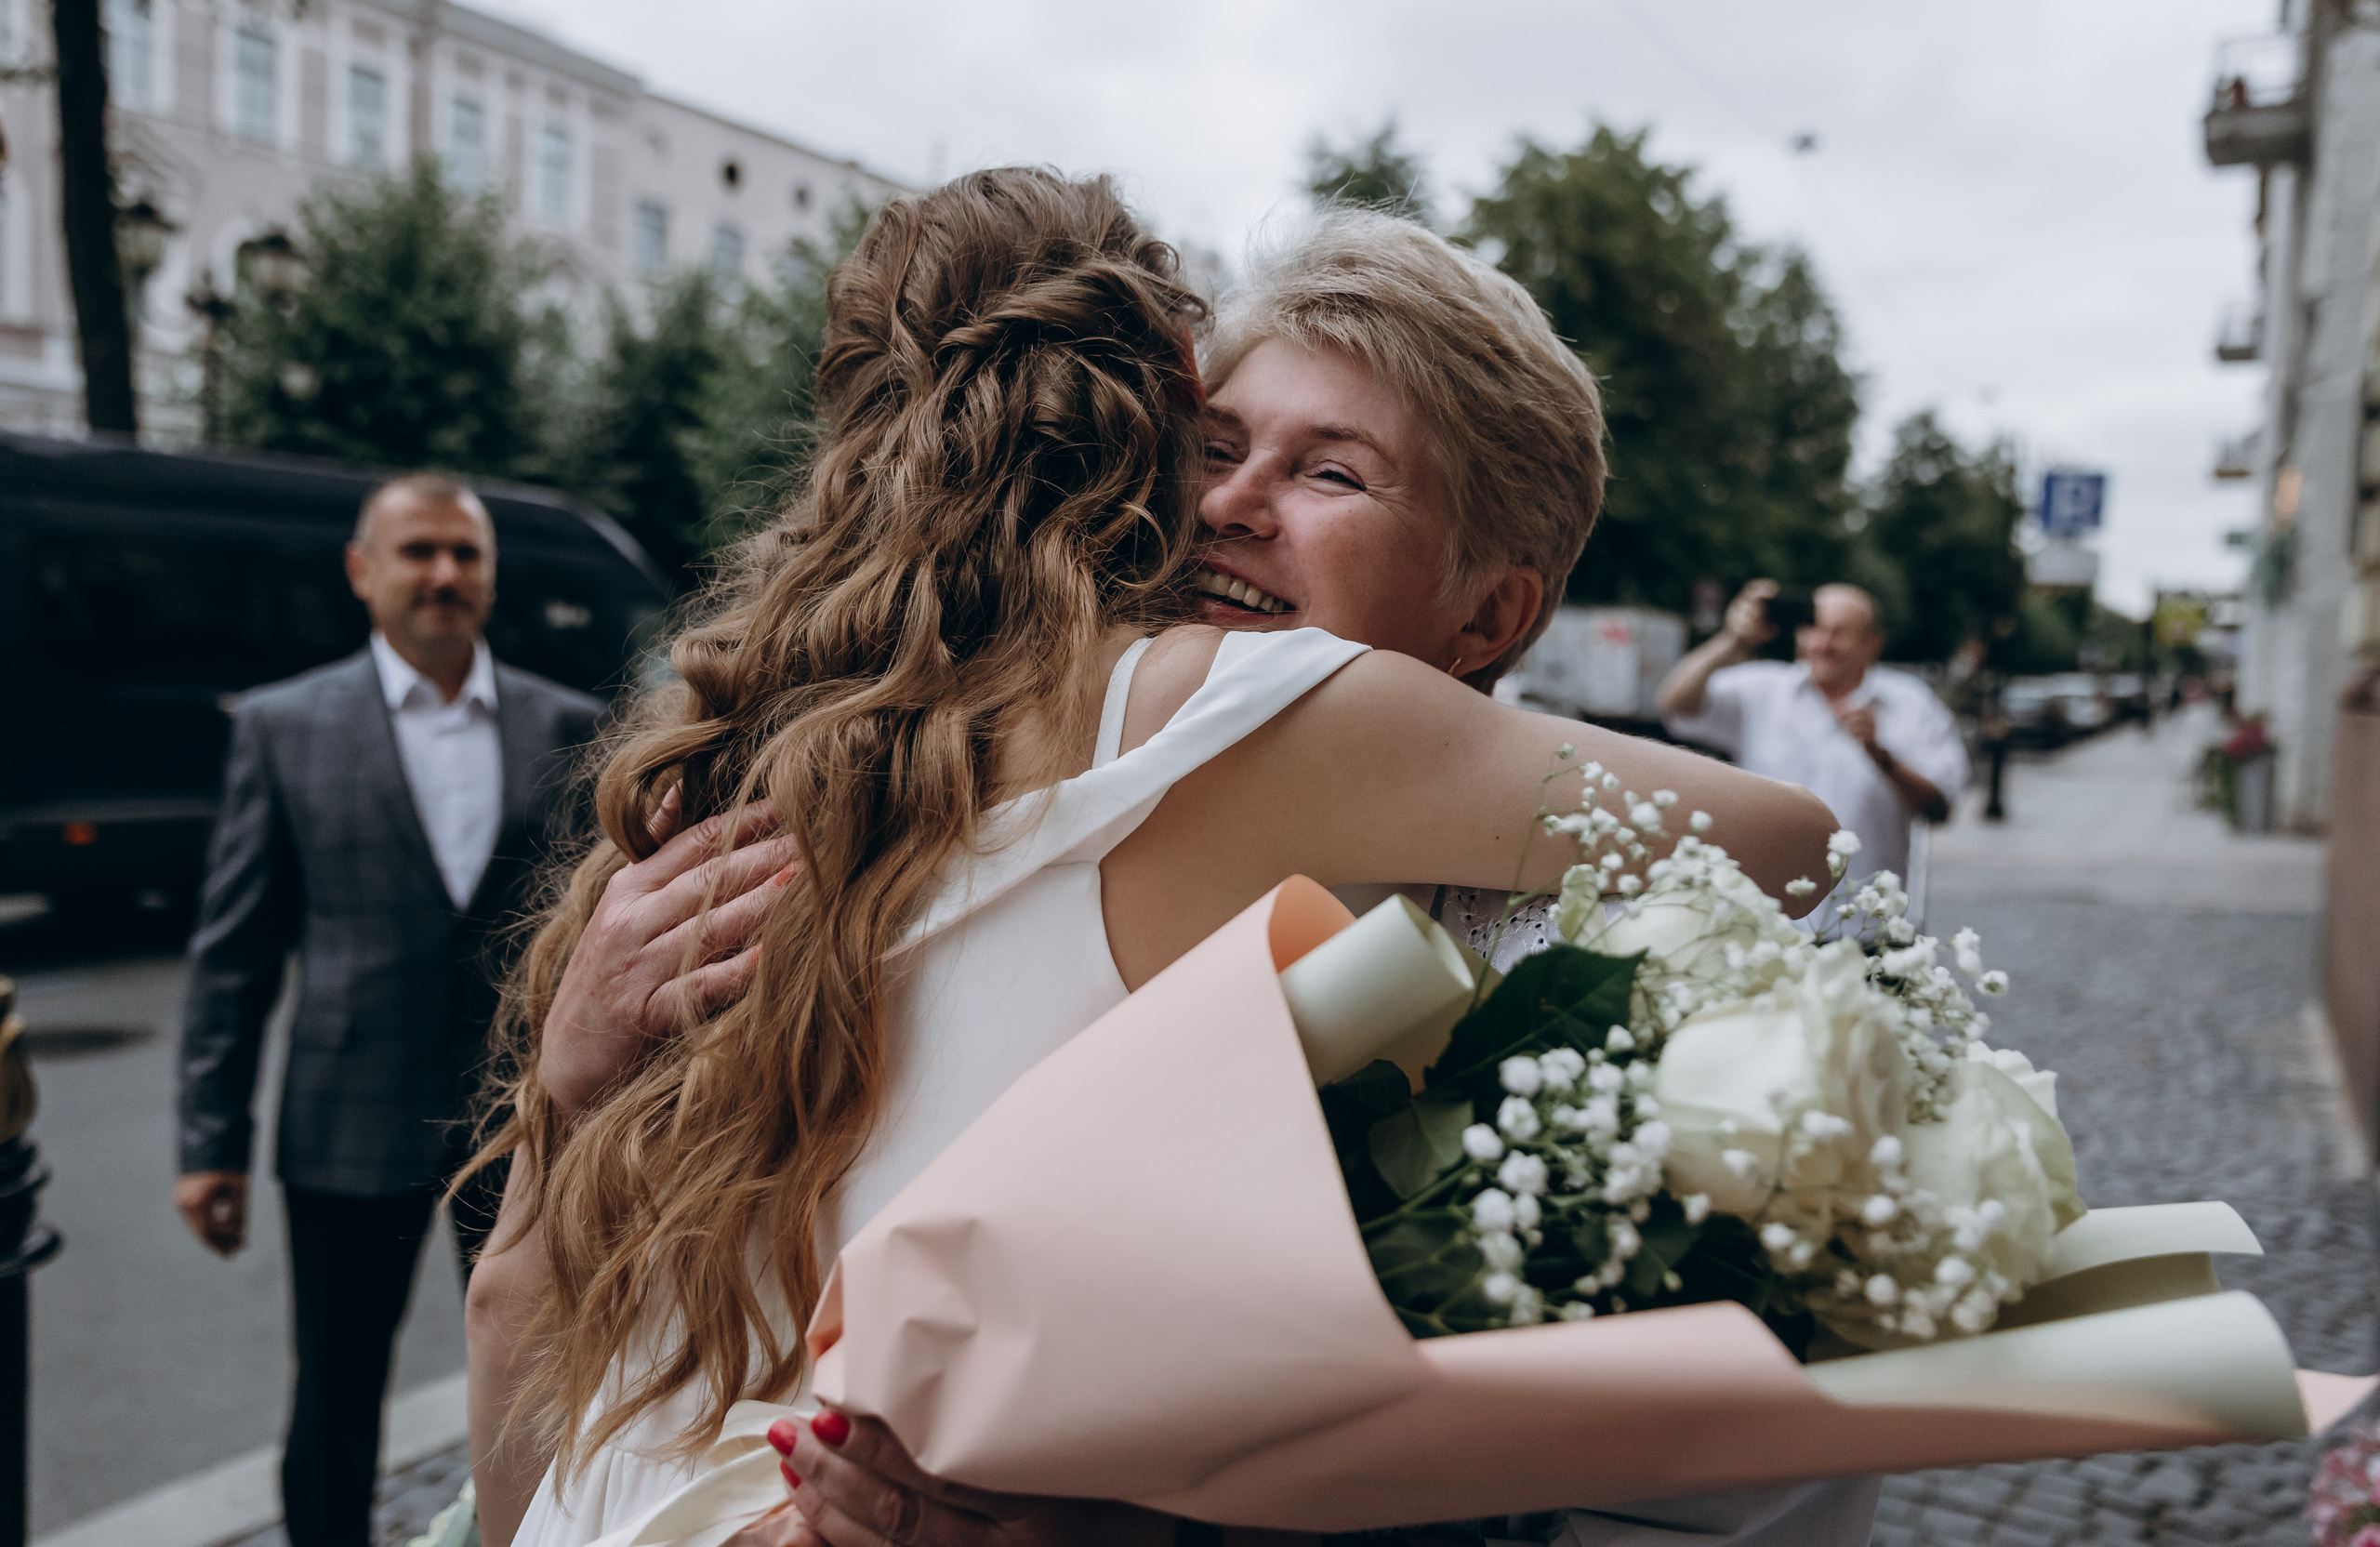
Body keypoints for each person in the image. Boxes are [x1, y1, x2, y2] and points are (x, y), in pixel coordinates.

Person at [466, 173, 1834, 1547]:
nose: (1234, 502)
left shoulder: (879, 729)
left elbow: (516, 1314)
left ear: (1494, 611)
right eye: (1216, 442)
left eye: (1329, 472)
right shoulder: (1210, 723)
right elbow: (1795, 840)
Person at [175, 473, 602, 1547]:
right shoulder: (283, 725)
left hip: (521, 1118)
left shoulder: (572, 724)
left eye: (464, 553)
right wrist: (208, 1139)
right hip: (346, 1116)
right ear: (363, 572)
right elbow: (233, 952)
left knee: (542, 1375)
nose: (444, 574)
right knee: (335, 1387)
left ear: (492, 575)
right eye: (418, 551)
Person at [1657, 579, 1966, 904]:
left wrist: (1882, 757)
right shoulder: (1764, 689)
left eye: (1839, 632)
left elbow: (1939, 809)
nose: (1823, 644)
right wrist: (1732, 641)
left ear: (1873, 642)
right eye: (1813, 629)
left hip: (1867, 924)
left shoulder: (1912, 703)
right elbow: (1673, 704)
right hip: (1766, 923)